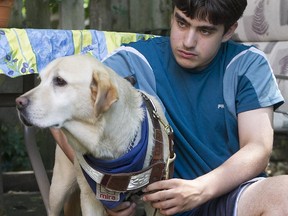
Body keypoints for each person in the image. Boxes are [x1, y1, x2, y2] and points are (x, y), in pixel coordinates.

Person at [52, 0, 288, 215]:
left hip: (232, 196)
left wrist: (199, 189)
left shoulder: (248, 64)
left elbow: (258, 147)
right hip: (158, 206)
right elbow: (57, 114)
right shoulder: (132, 61)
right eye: (181, 23)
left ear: (228, 31)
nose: (188, 41)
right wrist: (104, 188)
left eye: (205, 30)